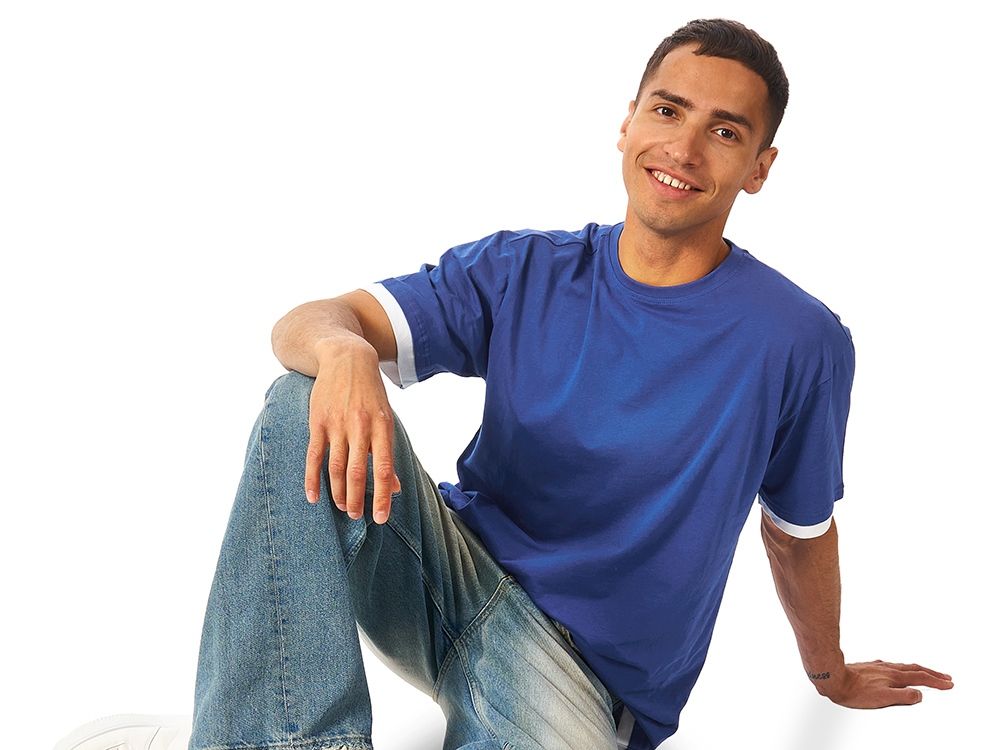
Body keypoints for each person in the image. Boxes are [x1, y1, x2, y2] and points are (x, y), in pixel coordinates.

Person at [54, 17, 953, 750]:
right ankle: (274, 742)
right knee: (301, 399)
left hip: (580, 674)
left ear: (759, 167)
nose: (683, 146)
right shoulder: (526, 271)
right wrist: (350, 354)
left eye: (725, 131)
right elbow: (311, 322)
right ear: (628, 123)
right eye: (667, 110)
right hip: (445, 575)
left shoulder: (797, 340)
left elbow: (798, 531)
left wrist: (828, 672)